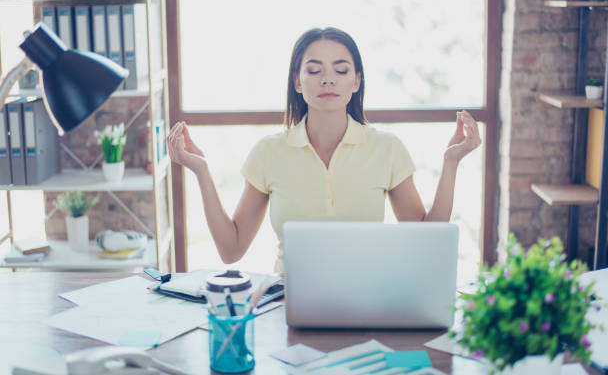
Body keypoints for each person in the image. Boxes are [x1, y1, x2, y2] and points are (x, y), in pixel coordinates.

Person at [167, 27, 481, 273]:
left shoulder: (387, 148)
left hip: (369, 298)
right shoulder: (268, 152)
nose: (328, 79)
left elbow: (424, 242)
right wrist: (201, 171)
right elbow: (231, 250)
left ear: (357, 81)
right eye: (314, 70)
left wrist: (451, 162)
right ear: (298, 82)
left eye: (341, 71)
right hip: (290, 303)